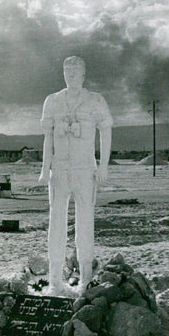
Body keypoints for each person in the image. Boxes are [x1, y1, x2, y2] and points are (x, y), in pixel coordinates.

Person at [38, 56, 112, 296]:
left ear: (83, 74)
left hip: (84, 170)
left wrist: (103, 166)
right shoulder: (52, 101)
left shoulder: (95, 100)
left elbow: (106, 131)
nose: (71, 76)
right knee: (56, 223)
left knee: (85, 224)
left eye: (75, 72)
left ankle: (85, 280)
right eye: (67, 72)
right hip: (59, 170)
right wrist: (44, 168)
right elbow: (47, 137)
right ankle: (55, 282)